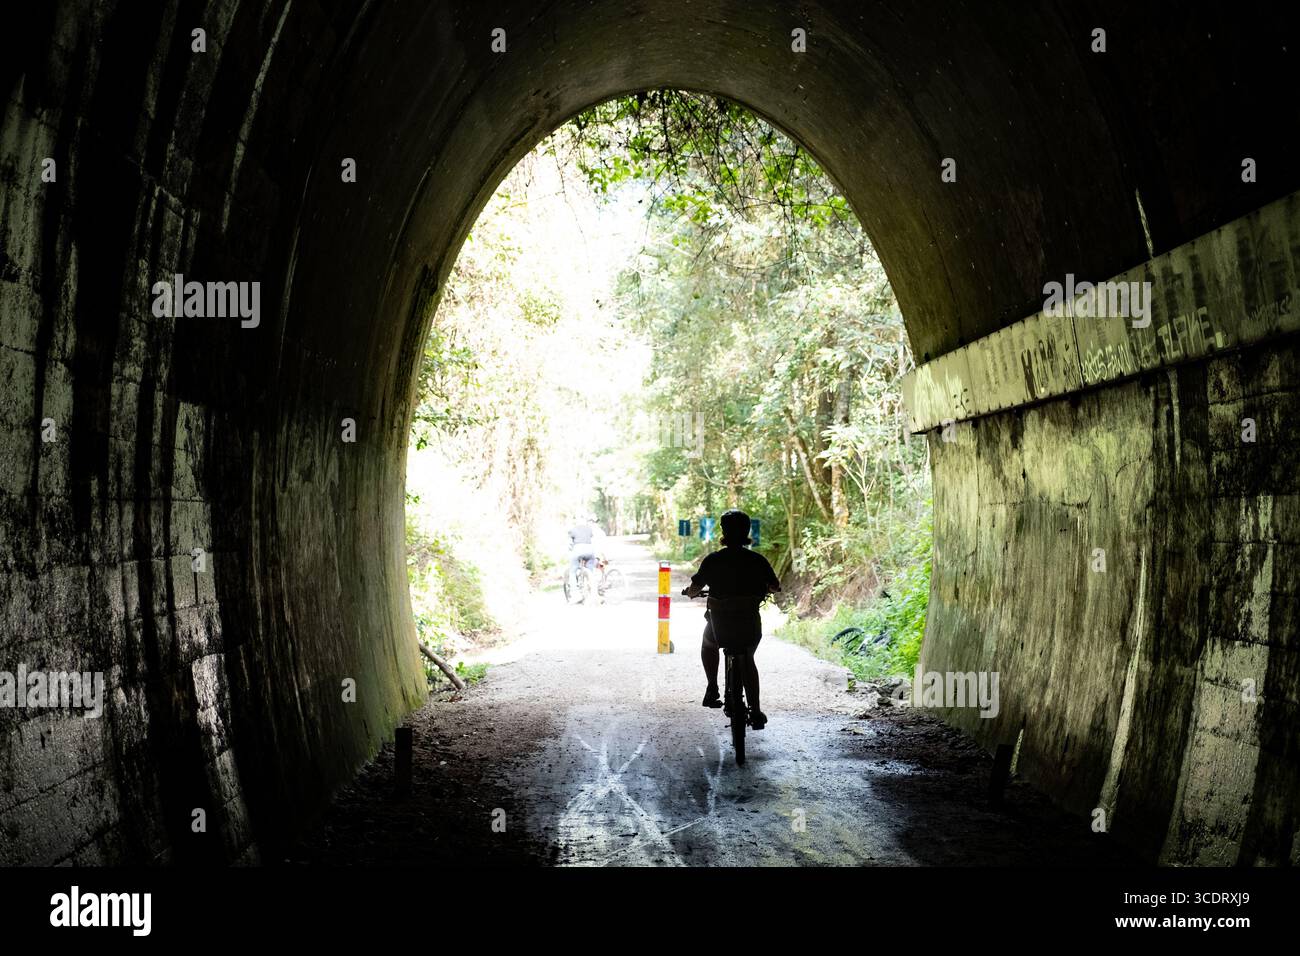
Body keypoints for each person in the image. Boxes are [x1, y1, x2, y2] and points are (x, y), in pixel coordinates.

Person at [681, 509, 780, 730]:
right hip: (748, 621)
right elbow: (775, 586)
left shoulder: (714, 560)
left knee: (708, 642)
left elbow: (695, 588)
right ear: (747, 531)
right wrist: (768, 588)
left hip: (721, 623)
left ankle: (712, 688)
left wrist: (690, 592)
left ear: (723, 531)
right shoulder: (757, 560)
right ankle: (755, 710)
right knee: (748, 657)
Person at [566, 515, 604, 588]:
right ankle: (592, 587)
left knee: (573, 571)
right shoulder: (589, 529)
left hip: (578, 551)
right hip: (590, 551)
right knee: (590, 569)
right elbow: (592, 540)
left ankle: (575, 592)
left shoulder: (573, 530)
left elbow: (570, 544)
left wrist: (570, 551)